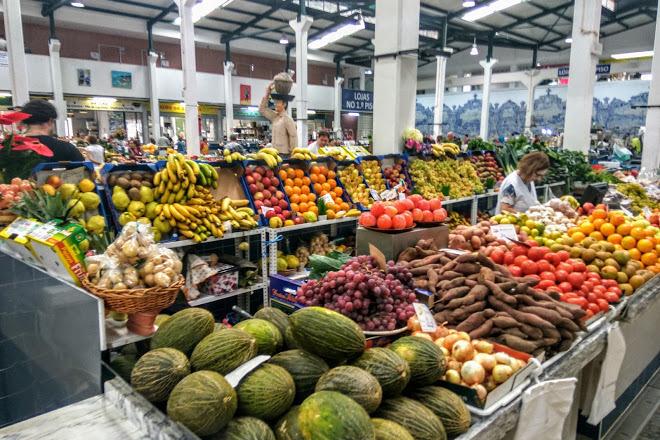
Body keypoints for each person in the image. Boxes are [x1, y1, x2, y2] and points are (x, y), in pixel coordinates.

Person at [258, 82, 297, 155]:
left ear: (284, 105)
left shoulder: (288, 119)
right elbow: (261, 109)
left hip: (284, 154)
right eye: (275, 102)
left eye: (278, 102)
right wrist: (267, 93)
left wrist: (293, 153)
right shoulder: (274, 116)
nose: (275, 104)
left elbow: (293, 136)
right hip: (274, 152)